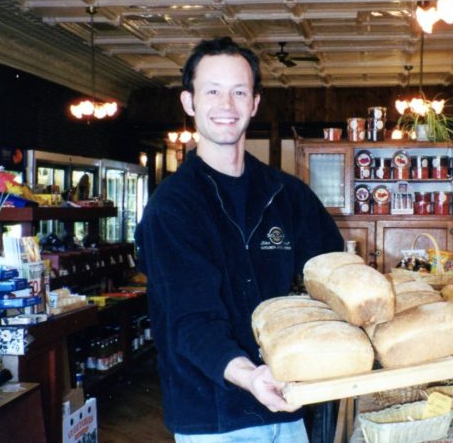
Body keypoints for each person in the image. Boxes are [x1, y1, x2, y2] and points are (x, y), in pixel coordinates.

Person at [135, 36, 344, 442]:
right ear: (189, 103)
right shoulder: (172, 208)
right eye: (212, 91)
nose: (226, 105)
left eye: (238, 92)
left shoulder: (287, 194)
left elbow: (333, 269)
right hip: (213, 413)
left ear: (254, 103)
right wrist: (250, 375)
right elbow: (190, 320)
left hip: (286, 400)